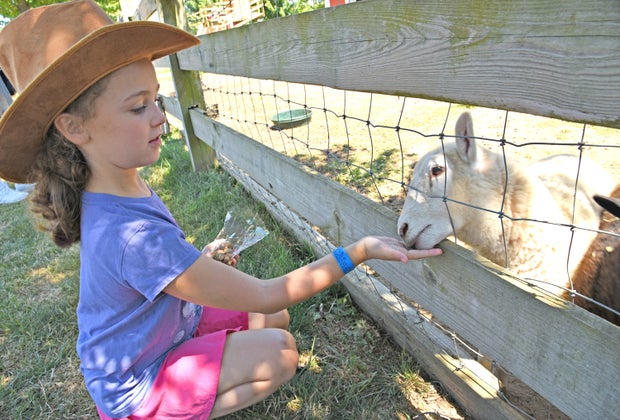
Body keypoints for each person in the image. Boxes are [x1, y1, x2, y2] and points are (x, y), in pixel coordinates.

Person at [0, 1, 443, 418]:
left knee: (275, 321)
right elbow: (268, 291)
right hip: (137, 383)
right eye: (138, 107)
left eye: (155, 98)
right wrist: (358, 251)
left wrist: (201, 260)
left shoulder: (122, 185)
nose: (159, 115)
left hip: (169, 330)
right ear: (74, 127)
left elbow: (159, 272)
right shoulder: (130, 235)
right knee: (279, 351)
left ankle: (201, 362)